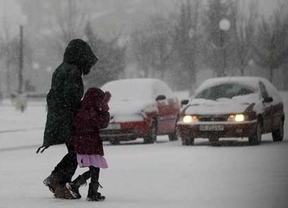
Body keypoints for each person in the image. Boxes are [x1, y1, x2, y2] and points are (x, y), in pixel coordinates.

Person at [36, 39, 98, 199]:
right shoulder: (73, 71)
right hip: (67, 118)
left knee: (75, 151)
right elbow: (71, 98)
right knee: (77, 151)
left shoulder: (62, 69)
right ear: (81, 57)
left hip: (59, 117)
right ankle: (58, 180)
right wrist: (83, 111)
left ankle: (58, 180)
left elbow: (59, 96)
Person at [65, 87, 111, 201]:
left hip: (83, 144)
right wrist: (105, 111)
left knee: (94, 168)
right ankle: (89, 191)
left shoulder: (82, 110)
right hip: (91, 145)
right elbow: (102, 123)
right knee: (95, 167)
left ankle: (79, 185)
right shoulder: (91, 112)